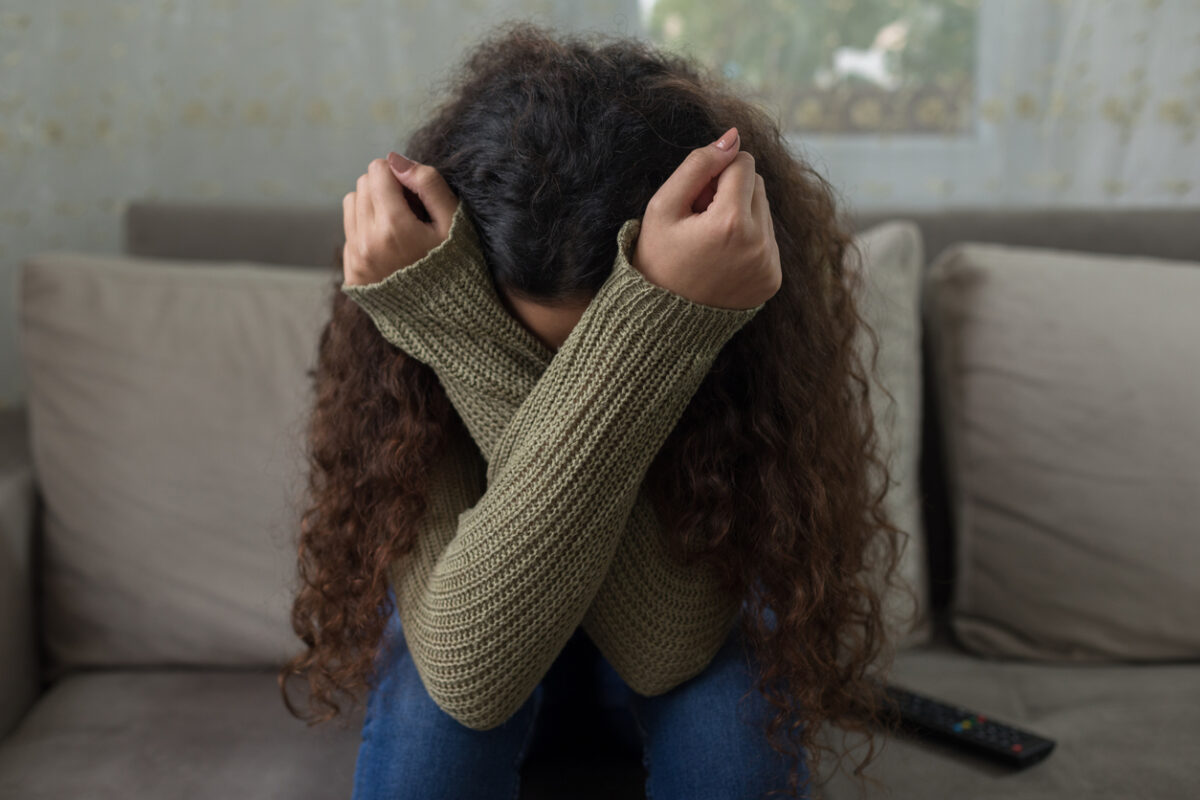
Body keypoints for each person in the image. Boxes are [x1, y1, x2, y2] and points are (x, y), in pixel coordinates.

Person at [280, 21, 908, 800]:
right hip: (482, 632)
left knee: (732, 722)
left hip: (658, 644)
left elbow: (665, 651)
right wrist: (447, 322)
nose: (562, 371)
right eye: (524, 346)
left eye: (598, 347)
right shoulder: (415, 321)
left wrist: (665, 327)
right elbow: (469, 673)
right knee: (429, 713)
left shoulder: (742, 308)